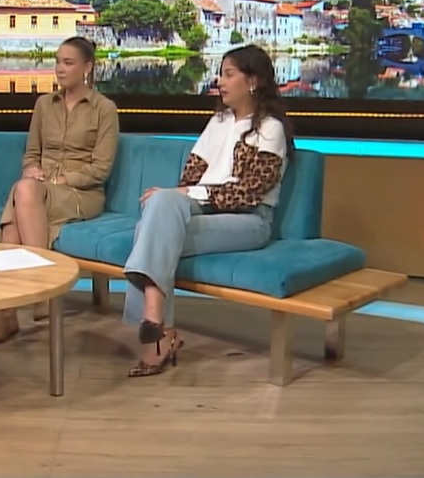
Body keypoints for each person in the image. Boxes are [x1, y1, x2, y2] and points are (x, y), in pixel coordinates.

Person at [121, 44, 294, 377]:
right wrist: (178, 194)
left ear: (253, 81)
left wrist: (187, 193)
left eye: (228, 75)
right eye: (220, 74)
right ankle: (157, 323)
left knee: (150, 232)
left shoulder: (270, 129)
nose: (220, 82)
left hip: (249, 221)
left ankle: (158, 331)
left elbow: (248, 194)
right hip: (204, 209)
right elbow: (190, 176)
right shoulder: (219, 121)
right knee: (161, 206)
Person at [0, 36, 120, 346]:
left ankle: (19, 304)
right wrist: (32, 169)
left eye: (68, 63)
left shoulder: (104, 109)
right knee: (23, 195)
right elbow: (31, 154)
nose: (60, 69)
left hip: (82, 194)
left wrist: (64, 180)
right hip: (40, 190)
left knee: (22, 197)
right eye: (57, 62)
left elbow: (101, 168)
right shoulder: (44, 105)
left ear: (87, 67)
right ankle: (23, 303)